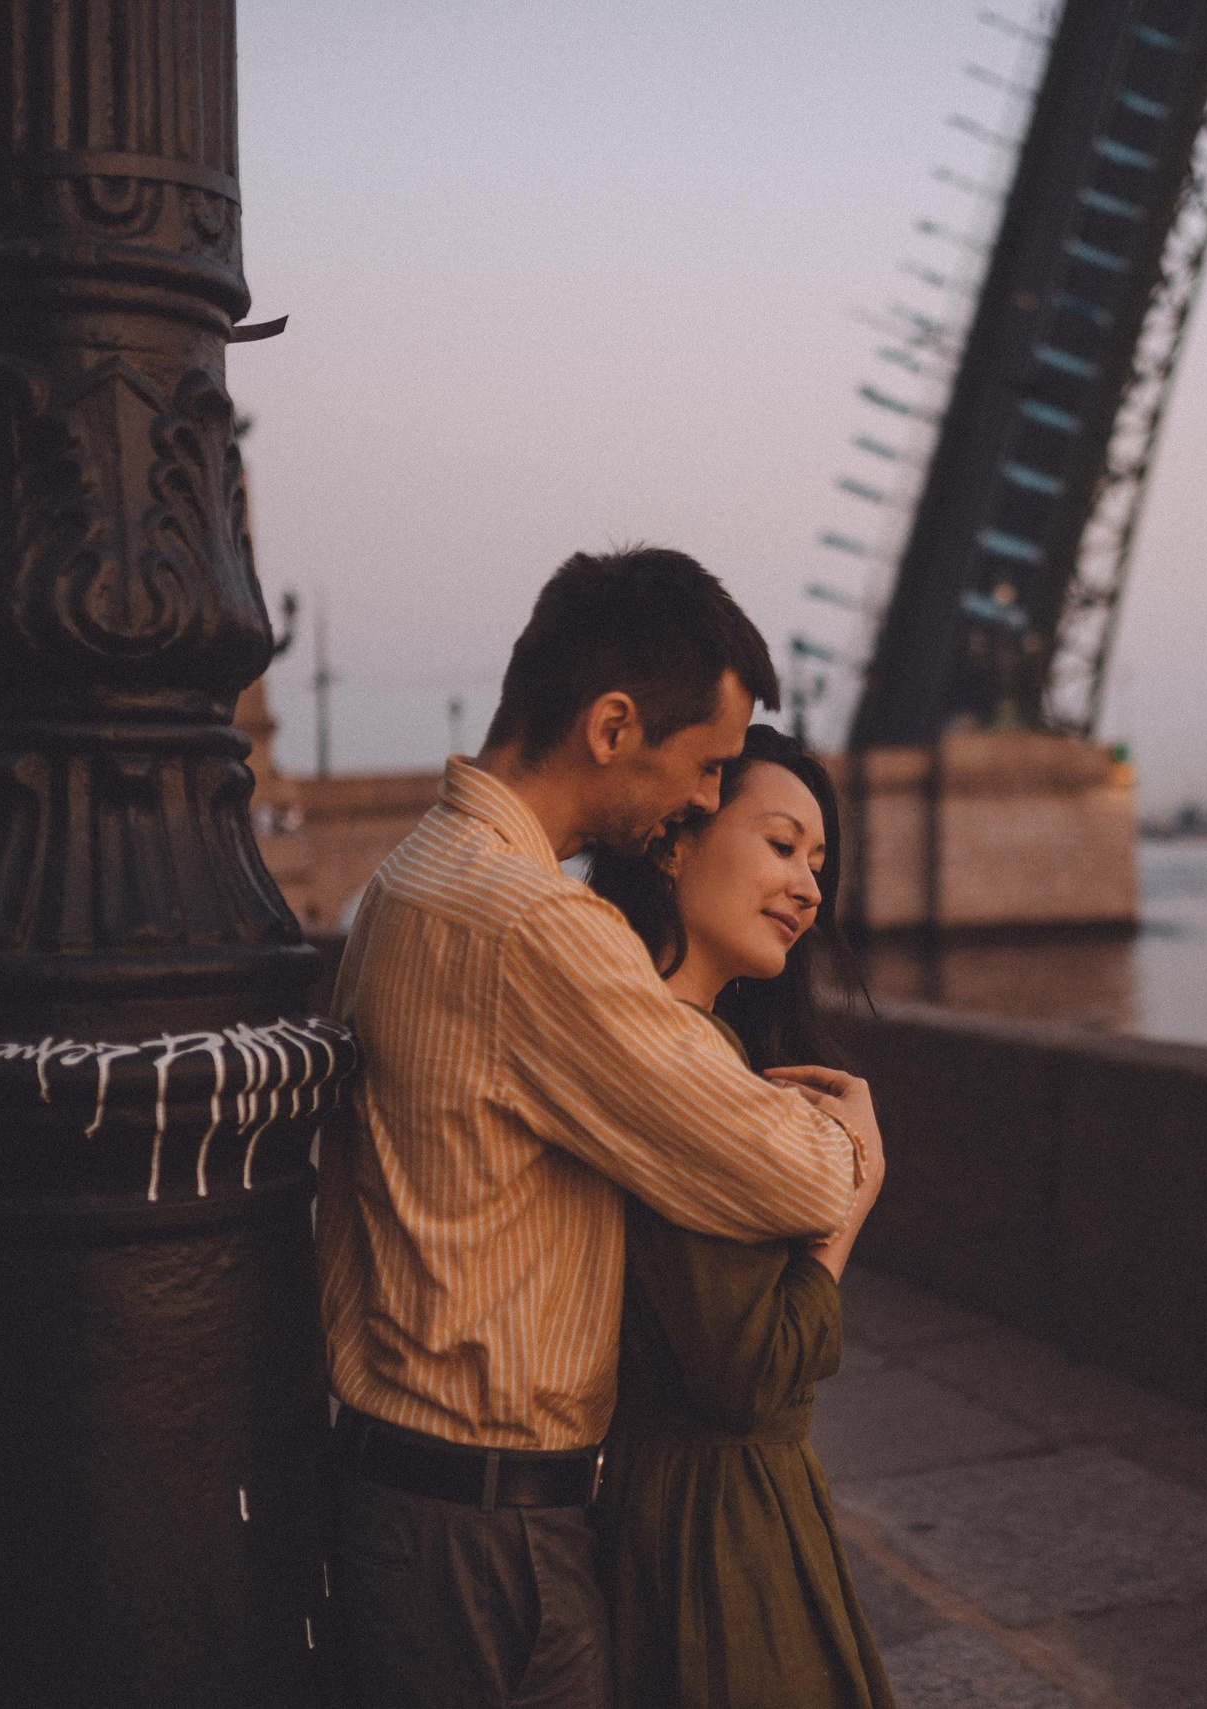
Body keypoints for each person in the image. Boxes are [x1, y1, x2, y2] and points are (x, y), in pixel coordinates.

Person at [316, 548, 880, 1709]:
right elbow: (798, 1173)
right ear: (614, 725)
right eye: (708, 765)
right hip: (489, 1533)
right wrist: (853, 1146)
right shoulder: (530, 924)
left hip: (409, 1496)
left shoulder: (409, 878)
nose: (706, 799)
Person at [584, 725, 894, 1709]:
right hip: (720, 1536)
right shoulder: (686, 1059)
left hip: (665, 1506)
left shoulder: (648, 1029)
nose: (808, 888)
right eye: (781, 843)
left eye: (818, 863)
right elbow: (749, 1372)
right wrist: (852, 1199)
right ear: (673, 843)